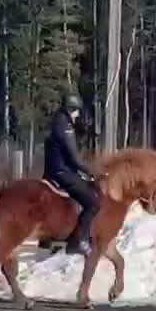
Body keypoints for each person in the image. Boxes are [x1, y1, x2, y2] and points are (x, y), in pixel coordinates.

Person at [43, 93, 97, 255]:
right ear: (70, 109)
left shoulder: (58, 121)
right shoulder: (65, 127)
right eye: (77, 111)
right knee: (92, 202)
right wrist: (90, 172)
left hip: (56, 169)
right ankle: (79, 240)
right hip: (62, 172)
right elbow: (73, 159)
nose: (78, 115)